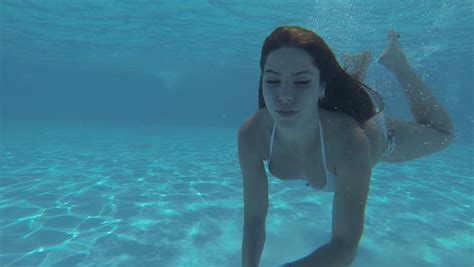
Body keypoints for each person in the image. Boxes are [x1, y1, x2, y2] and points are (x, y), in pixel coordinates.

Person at [238, 26, 454, 267]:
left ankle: (398, 63)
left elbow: (345, 244)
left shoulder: (350, 142)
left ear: (322, 86)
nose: (284, 95)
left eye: (301, 81)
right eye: (272, 80)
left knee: (442, 134)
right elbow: (254, 218)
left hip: (381, 139)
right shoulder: (251, 136)